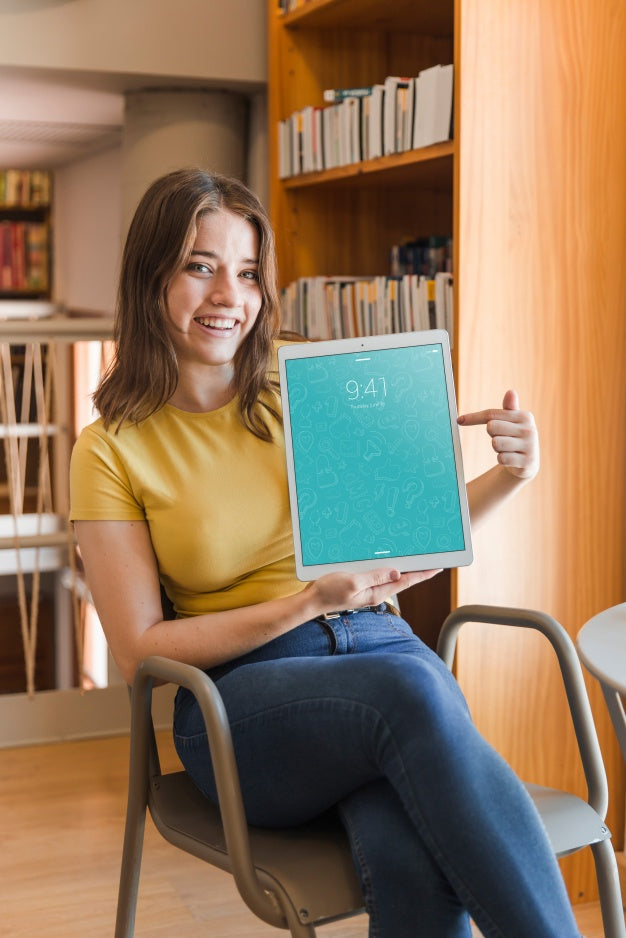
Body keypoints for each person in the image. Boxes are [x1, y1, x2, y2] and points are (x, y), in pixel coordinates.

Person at [70, 167, 581, 938]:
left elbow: (407, 542)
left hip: (380, 653)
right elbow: (142, 651)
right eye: (199, 266)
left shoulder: (303, 382)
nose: (228, 296)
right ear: (152, 276)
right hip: (242, 703)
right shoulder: (109, 450)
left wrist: (512, 476)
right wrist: (308, 602)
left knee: (409, 849)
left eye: (247, 273)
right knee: (413, 695)